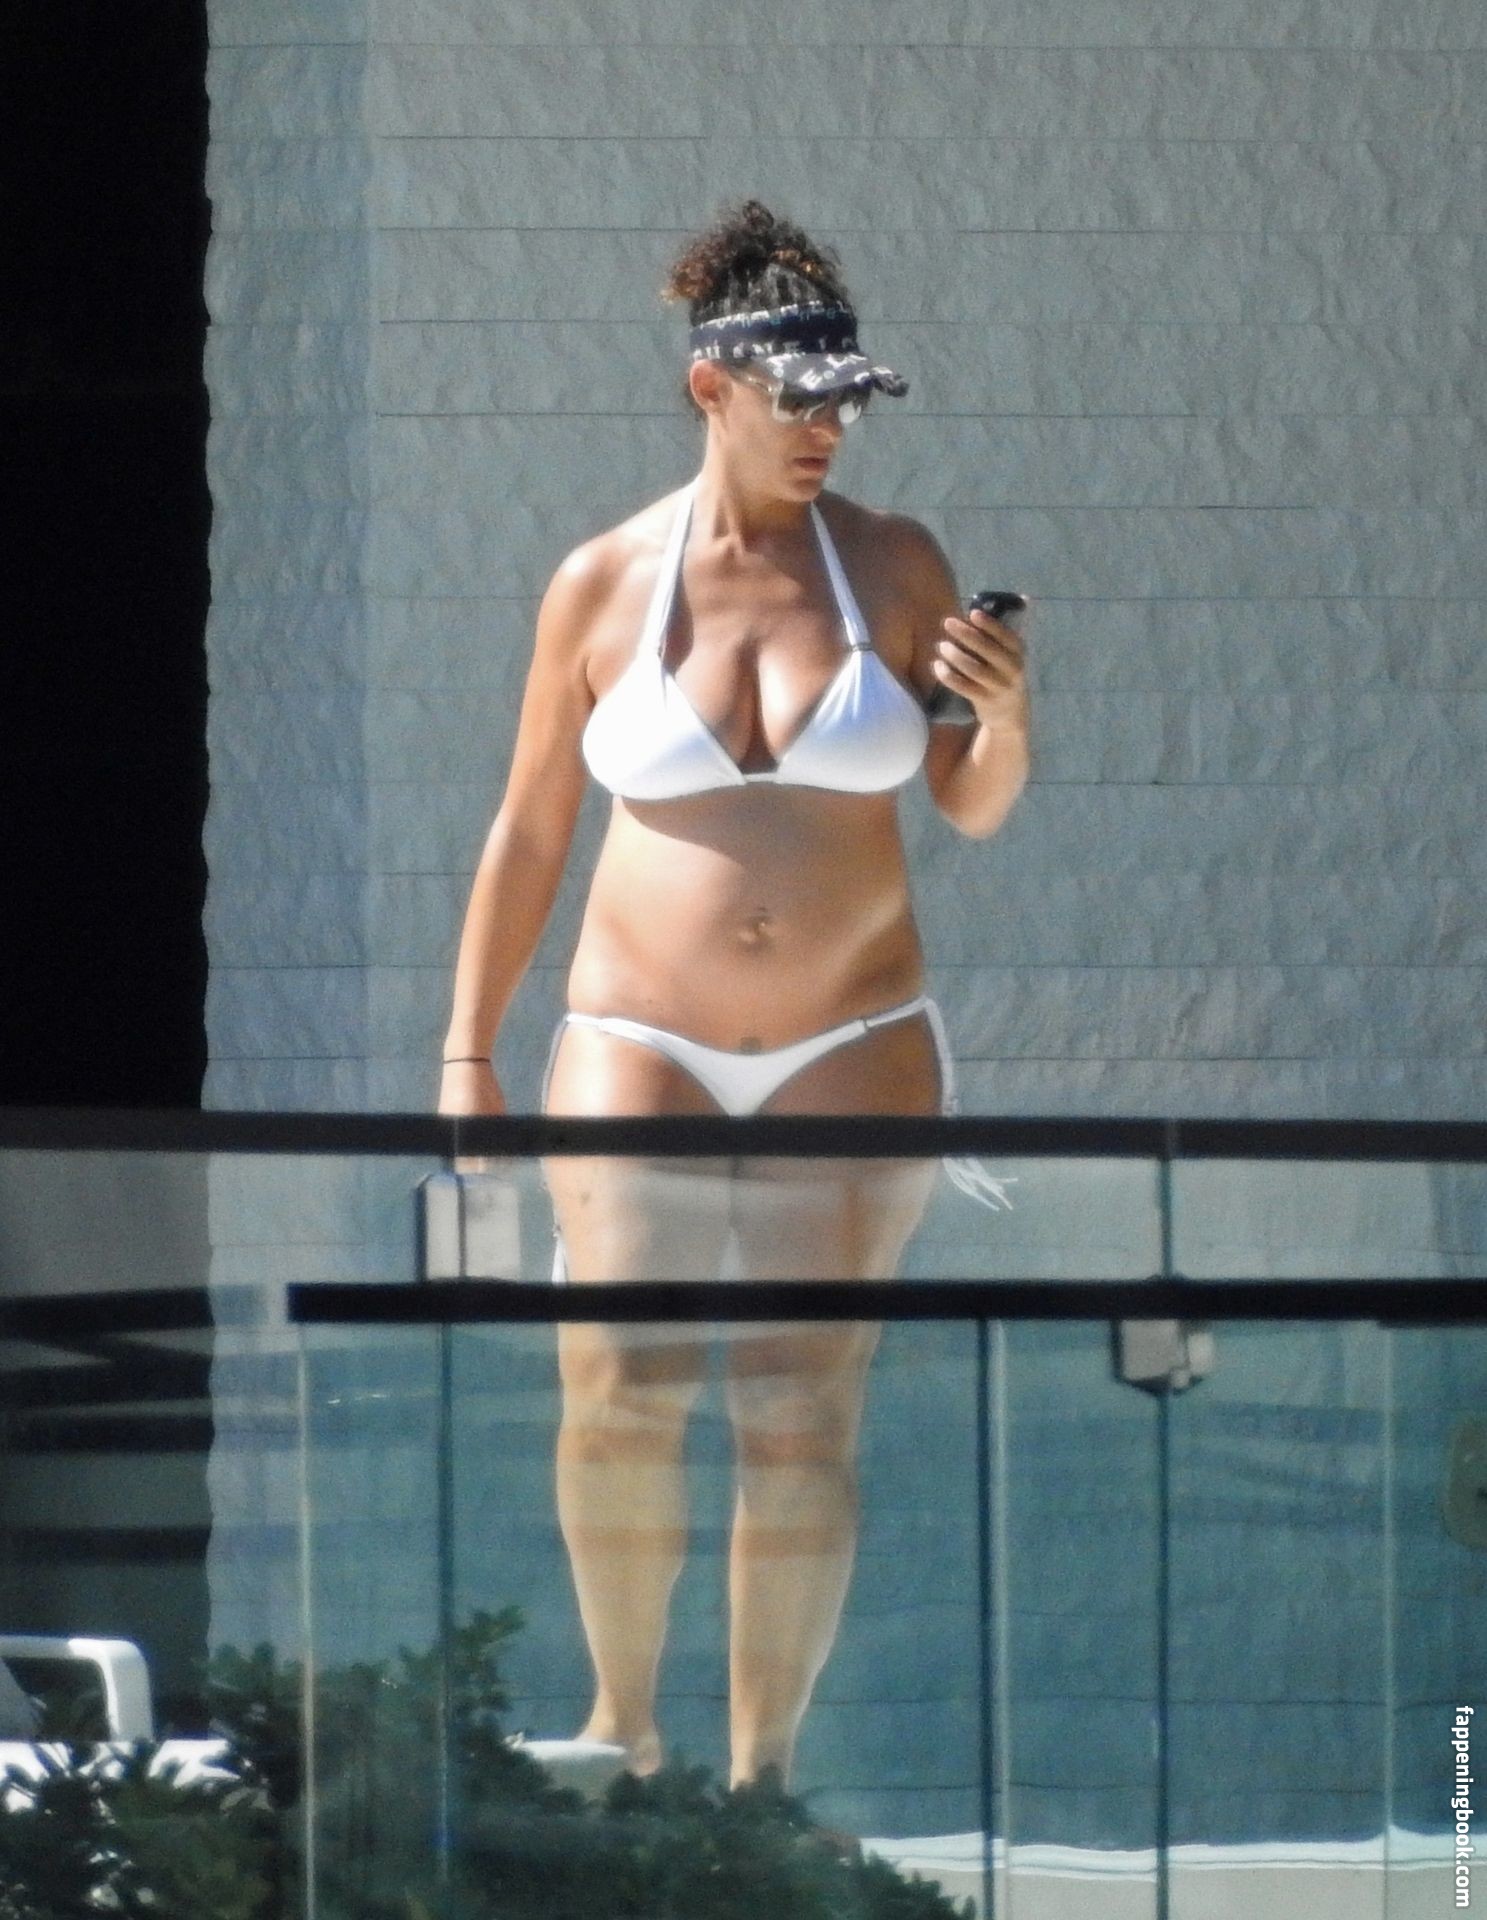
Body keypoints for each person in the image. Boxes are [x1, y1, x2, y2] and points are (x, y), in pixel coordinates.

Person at [438, 200, 1031, 1794]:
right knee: (620, 1384)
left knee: (798, 1407)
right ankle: (623, 1730)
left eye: (848, 404)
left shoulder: (896, 564)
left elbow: (969, 807)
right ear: (712, 389)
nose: (827, 430)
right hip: (640, 1034)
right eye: (797, 401)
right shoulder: (603, 582)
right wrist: (465, 1051)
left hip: (855, 1035)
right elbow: (531, 827)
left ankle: (763, 1782)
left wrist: (1007, 724)